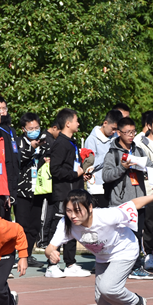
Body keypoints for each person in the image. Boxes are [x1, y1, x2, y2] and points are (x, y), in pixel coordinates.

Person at [46, 187, 153, 305]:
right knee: (100, 297)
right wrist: (51, 253)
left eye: (77, 210)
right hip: (102, 256)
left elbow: (133, 204)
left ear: (90, 207)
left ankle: (136, 302)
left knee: (108, 287)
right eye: (68, 211)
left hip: (124, 250)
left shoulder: (106, 215)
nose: (73, 215)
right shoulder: (66, 223)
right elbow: (50, 248)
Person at [102, 116, 153, 279]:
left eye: (133, 132)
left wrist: (145, 170)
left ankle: (136, 267)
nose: (131, 135)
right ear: (119, 133)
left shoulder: (138, 150)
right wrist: (122, 167)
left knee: (137, 236)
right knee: (120, 237)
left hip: (139, 202)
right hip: (121, 203)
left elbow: (151, 167)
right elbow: (106, 175)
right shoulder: (112, 153)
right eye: (127, 132)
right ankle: (119, 267)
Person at [44, 108, 92, 278]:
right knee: (58, 227)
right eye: (76, 120)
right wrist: (74, 174)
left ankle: (70, 263)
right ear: (68, 123)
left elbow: (71, 167)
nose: (78, 124)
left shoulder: (71, 142)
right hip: (63, 194)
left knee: (72, 226)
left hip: (74, 193)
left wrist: (81, 174)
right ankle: (51, 265)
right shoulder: (60, 143)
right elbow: (55, 170)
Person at [14, 112, 47, 269]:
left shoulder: (44, 142)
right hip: (22, 190)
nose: (34, 131)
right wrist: (32, 148)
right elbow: (17, 160)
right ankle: (19, 255)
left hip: (38, 189)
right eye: (31, 128)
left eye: (36, 128)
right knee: (22, 225)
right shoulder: (17, 143)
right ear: (24, 129)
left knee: (34, 226)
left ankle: (27, 254)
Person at [135, 111, 153, 271]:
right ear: (149, 125)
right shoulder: (140, 143)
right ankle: (148, 254)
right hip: (148, 188)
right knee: (149, 222)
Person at [84, 109, 123, 205]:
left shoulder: (116, 139)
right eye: (113, 128)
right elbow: (90, 164)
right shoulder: (91, 140)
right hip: (98, 187)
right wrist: (109, 154)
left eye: (116, 129)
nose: (114, 132)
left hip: (114, 186)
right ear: (105, 123)